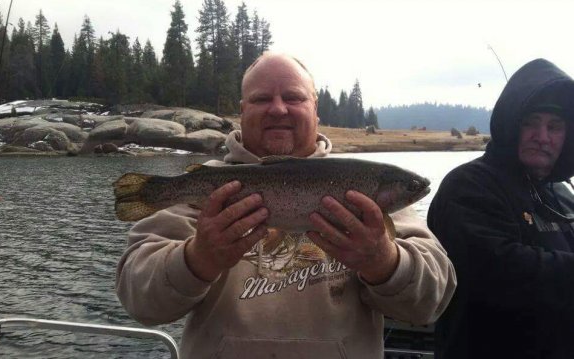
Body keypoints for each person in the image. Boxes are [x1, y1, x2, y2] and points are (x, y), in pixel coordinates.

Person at [116, 52, 456, 359]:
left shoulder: (362, 193)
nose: (278, 108)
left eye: (293, 97)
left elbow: (432, 301)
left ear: (315, 110)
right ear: (242, 111)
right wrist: (197, 259)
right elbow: (138, 299)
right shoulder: (208, 189)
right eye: (262, 98)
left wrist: (384, 261)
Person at [428, 58, 574, 359]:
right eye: (531, 123)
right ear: (511, 124)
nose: (543, 136)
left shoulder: (562, 196)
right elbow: (499, 272)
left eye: (554, 126)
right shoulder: (468, 186)